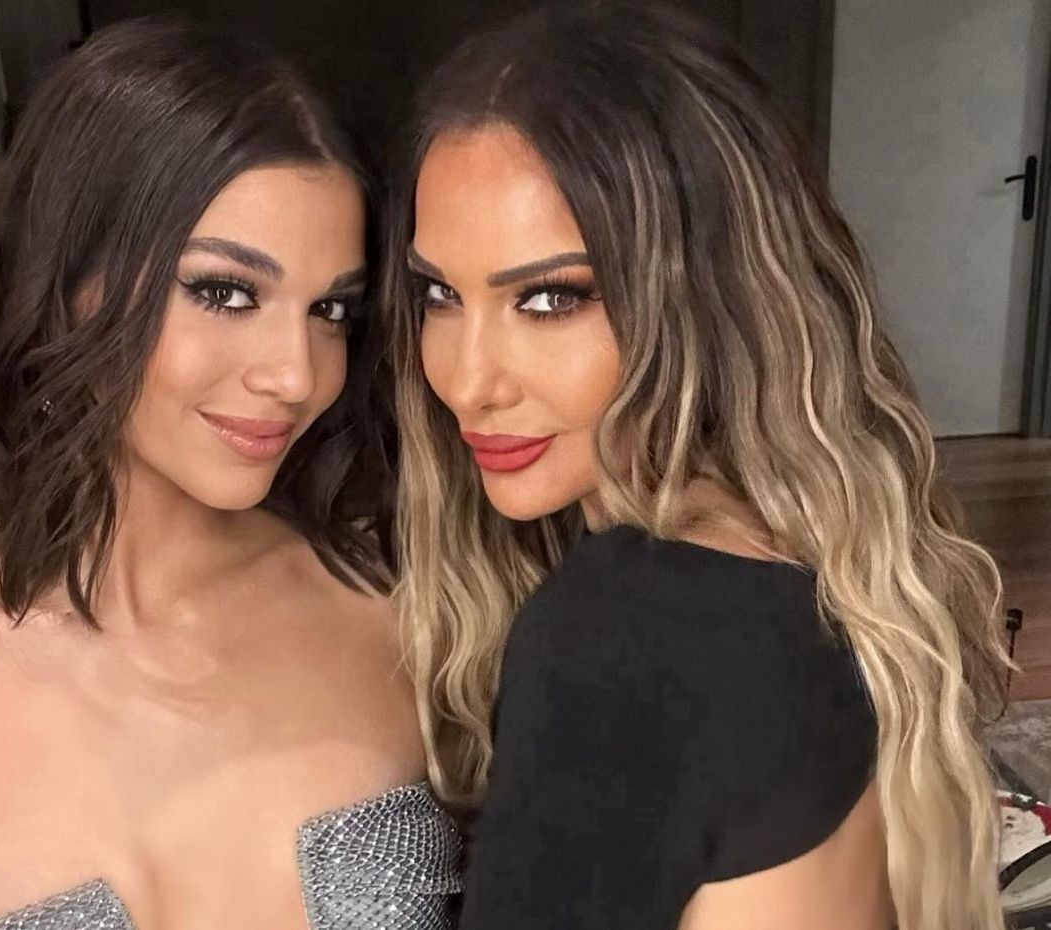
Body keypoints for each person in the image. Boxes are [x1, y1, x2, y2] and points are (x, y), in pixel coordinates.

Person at [0, 18, 460, 930]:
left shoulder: (395, 606)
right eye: (224, 292)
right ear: (64, 282)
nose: (295, 373)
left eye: (330, 311)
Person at [383, 4, 1008, 929]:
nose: (468, 381)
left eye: (551, 299)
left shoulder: (623, 637)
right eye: (439, 293)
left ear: (709, 299)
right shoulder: (819, 570)